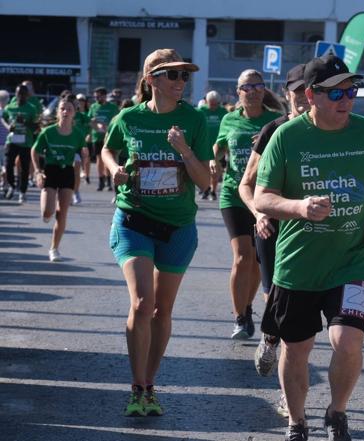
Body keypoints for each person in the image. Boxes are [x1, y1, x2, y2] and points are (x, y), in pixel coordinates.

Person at [254, 54, 364, 441]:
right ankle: (297, 422)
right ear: (311, 95)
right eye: (336, 92)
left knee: (348, 340)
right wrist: (299, 207)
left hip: (352, 260)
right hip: (298, 265)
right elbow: (262, 197)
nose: (346, 99)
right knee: (297, 348)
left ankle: (337, 412)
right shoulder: (287, 137)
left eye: (351, 90)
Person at [101, 48, 212, 417]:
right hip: (134, 218)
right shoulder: (128, 117)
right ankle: (137, 386)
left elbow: (205, 181)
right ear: (151, 80)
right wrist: (114, 168)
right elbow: (107, 150)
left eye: (184, 76)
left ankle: (151, 382)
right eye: (173, 75)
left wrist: (183, 151)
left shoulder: (194, 121)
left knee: (163, 310)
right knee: (141, 303)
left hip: (178, 225)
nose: (181, 82)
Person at [238, 64, 308, 418]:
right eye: (296, 92)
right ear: (287, 93)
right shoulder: (273, 130)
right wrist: (260, 213)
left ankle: (287, 393)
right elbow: (245, 185)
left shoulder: (329, 133)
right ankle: (269, 337)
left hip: (311, 232)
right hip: (271, 228)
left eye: (309, 91)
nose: (303, 99)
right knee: (278, 302)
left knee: (296, 322)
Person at [212, 69, 282, 340]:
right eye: (246, 87)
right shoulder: (229, 119)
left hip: (265, 195)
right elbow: (219, 147)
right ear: (237, 92)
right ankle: (240, 317)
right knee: (242, 255)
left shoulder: (275, 121)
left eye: (257, 85)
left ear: (264, 90)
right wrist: (213, 159)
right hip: (233, 194)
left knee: (256, 259)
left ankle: (249, 304)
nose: (252, 90)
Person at [31, 95, 88, 261]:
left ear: (74, 113)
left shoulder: (78, 133)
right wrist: (37, 171)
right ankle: (48, 211)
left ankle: (54, 249)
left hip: (67, 172)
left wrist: (84, 160)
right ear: (58, 112)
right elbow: (35, 151)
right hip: (51, 171)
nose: (65, 112)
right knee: (48, 212)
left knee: (62, 213)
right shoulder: (48, 132)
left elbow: (83, 152)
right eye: (62, 109)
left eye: (69, 109)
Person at [3, 84, 40, 203]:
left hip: (26, 141)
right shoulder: (10, 107)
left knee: (24, 168)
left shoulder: (31, 108)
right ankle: (12, 186)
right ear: (16, 93)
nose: (21, 96)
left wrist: (25, 123)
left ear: (27, 95)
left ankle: (22, 192)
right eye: (19, 94)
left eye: (23, 94)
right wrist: (9, 126)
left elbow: (36, 127)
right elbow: (3, 118)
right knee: (8, 164)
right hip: (12, 140)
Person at [197, 90, 228, 200]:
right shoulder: (201, 111)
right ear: (206, 102)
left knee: (215, 170)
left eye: (215, 104)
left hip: (218, 147)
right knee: (205, 169)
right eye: (211, 104)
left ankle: (213, 191)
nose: (213, 107)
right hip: (204, 145)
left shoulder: (223, 112)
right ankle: (206, 188)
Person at [89, 87, 119, 191]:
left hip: (109, 136)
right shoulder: (93, 106)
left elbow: (117, 121)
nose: (96, 98)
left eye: (98, 96)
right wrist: (94, 125)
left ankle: (109, 181)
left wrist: (107, 126)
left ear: (104, 96)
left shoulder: (112, 107)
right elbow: (90, 121)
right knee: (99, 159)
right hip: (97, 136)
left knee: (109, 158)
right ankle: (101, 181)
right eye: (95, 96)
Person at [0, 89, 10, 193]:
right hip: (7, 142)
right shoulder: (8, 112)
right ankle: (5, 183)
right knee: (5, 164)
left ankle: (3, 182)